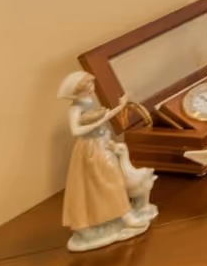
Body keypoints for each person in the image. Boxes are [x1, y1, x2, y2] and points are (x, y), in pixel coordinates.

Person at [57, 71, 156, 252]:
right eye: (88, 85)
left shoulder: (89, 102)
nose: (91, 88)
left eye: (91, 84)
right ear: (79, 89)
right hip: (90, 149)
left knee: (108, 182)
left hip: (102, 144)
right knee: (107, 182)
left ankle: (121, 215)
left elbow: (106, 116)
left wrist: (121, 106)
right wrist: (98, 122)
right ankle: (124, 217)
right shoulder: (75, 108)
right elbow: (75, 131)